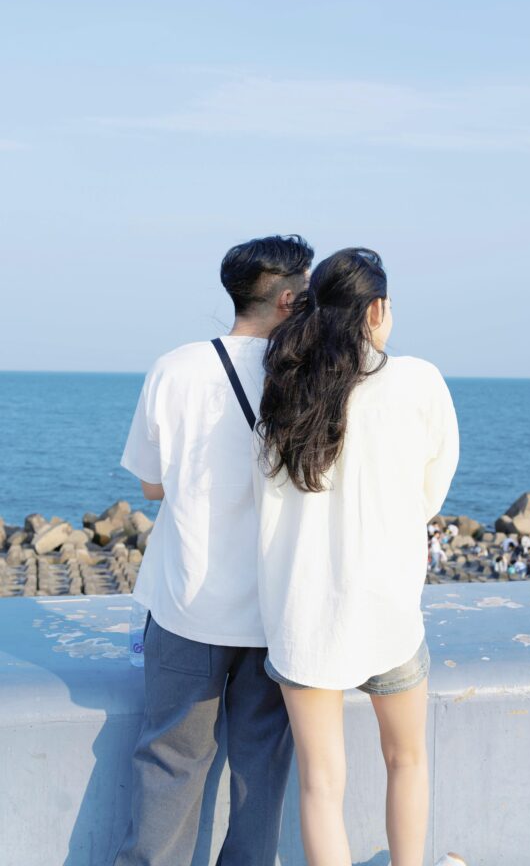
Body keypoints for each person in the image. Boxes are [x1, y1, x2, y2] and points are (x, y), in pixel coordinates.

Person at [254, 248, 460, 866]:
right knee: (407, 759)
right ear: (377, 310)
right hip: (388, 608)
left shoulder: (285, 384)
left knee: (320, 785)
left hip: (304, 612)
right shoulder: (418, 380)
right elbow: (432, 491)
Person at [113, 234, 314, 866]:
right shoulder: (312, 375)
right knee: (262, 764)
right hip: (275, 612)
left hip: (187, 604)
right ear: (288, 300)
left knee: (170, 759)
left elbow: (151, 485)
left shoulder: (175, 368)